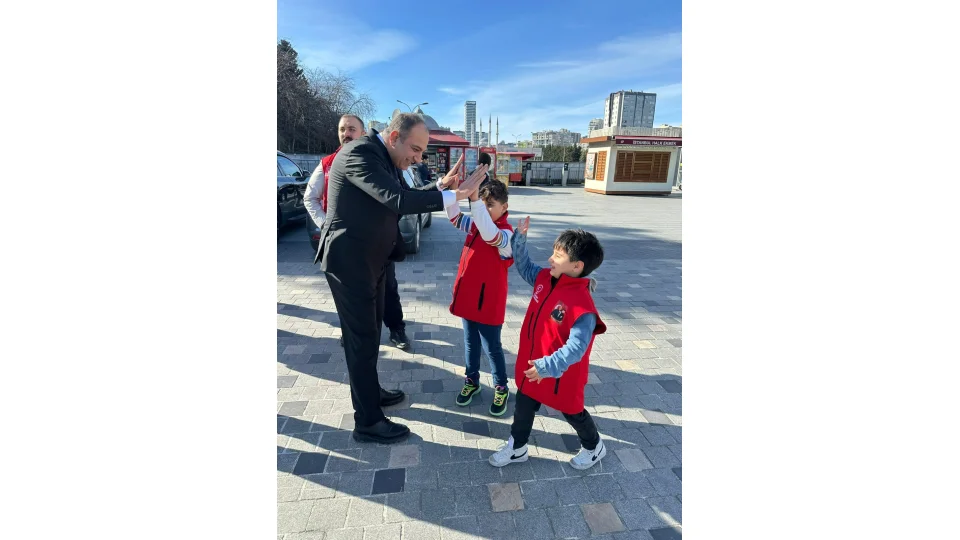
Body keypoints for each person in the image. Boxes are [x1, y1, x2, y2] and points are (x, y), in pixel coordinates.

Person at [314, 113, 489, 444]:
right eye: (416, 149)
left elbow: (403, 194)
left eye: (422, 152)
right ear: (394, 137)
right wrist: (459, 195)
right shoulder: (360, 153)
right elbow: (397, 200)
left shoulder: (386, 156)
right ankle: (367, 422)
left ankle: (371, 394)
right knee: (361, 341)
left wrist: (441, 186)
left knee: (371, 335)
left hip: (373, 261)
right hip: (350, 263)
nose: (419, 159)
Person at [487, 220, 609, 470]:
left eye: (558, 255)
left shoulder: (582, 305)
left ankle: (594, 446)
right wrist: (520, 239)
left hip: (560, 373)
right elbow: (524, 266)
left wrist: (547, 366)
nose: (550, 259)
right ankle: (517, 447)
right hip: (534, 366)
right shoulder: (544, 277)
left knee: (572, 411)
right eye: (553, 252)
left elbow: (576, 348)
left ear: (577, 266)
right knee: (524, 404)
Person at [304, 114, 425, 350]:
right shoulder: (328, 163)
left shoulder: (378, 159)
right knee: (354, 304)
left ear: (362, 133)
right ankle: (355, 334)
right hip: (348, 248)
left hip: (377, 245)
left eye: (351, 129)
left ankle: (395, 329)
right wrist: (327, 226)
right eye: (342, 129)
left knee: (388, 292)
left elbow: (398, 196)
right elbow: (310, 198)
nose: (346, 134)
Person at [445, 180, 514, 416]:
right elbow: (455, 218)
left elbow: (491, 236)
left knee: (492, 346)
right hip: (469, 296)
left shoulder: (506, 234)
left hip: (489, 301)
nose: (484, 210)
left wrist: (474, 202)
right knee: (470, 342)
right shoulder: (477, 224)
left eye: (490, 205)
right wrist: (450, 191)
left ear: (504, 207)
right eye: (482, 204)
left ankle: (501, 386)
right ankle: (472, 380)